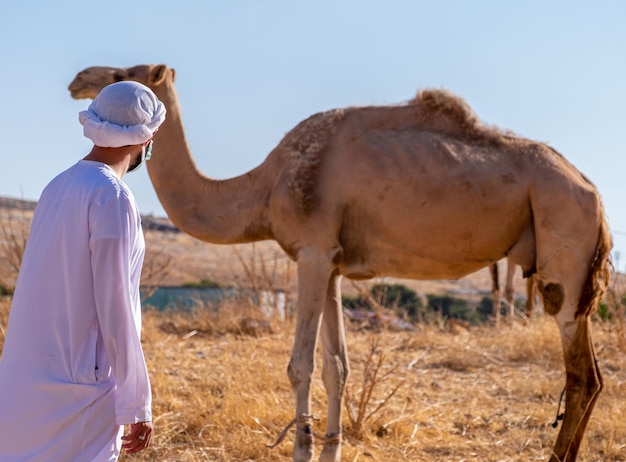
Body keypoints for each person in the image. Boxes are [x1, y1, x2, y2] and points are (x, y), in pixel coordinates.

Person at [0, 81, 166, 461]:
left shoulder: (57, 186)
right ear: (149, 135)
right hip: (79, 392)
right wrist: (136, 403)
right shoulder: (113, 196)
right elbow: (115, 305)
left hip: (21, 389)